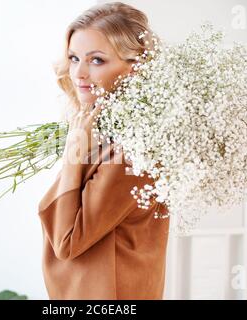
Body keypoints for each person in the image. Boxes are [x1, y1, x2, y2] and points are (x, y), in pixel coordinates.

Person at [37, 2, 170, 300]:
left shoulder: (133, 151)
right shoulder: (104, 133)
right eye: (74, 58)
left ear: (136, 66)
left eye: (96, 60)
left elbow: (66, 241)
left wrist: (74, 150)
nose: (79, 73)